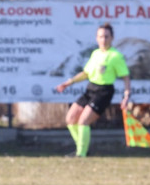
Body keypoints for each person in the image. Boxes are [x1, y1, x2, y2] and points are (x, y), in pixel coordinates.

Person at [55, 22, 131, 157]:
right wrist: (69, 82)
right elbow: (86, 73)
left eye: (106, 37)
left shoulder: (115, 56)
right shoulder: (95, 54)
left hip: (104, 91)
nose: (103, 39)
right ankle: (82, 149)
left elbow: (125, 77)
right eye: (101, 36)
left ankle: (81, 154)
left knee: (83, 121)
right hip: (91, 89)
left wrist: (126, 96)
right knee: (70, 118)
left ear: (112, 38)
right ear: (97, 38)